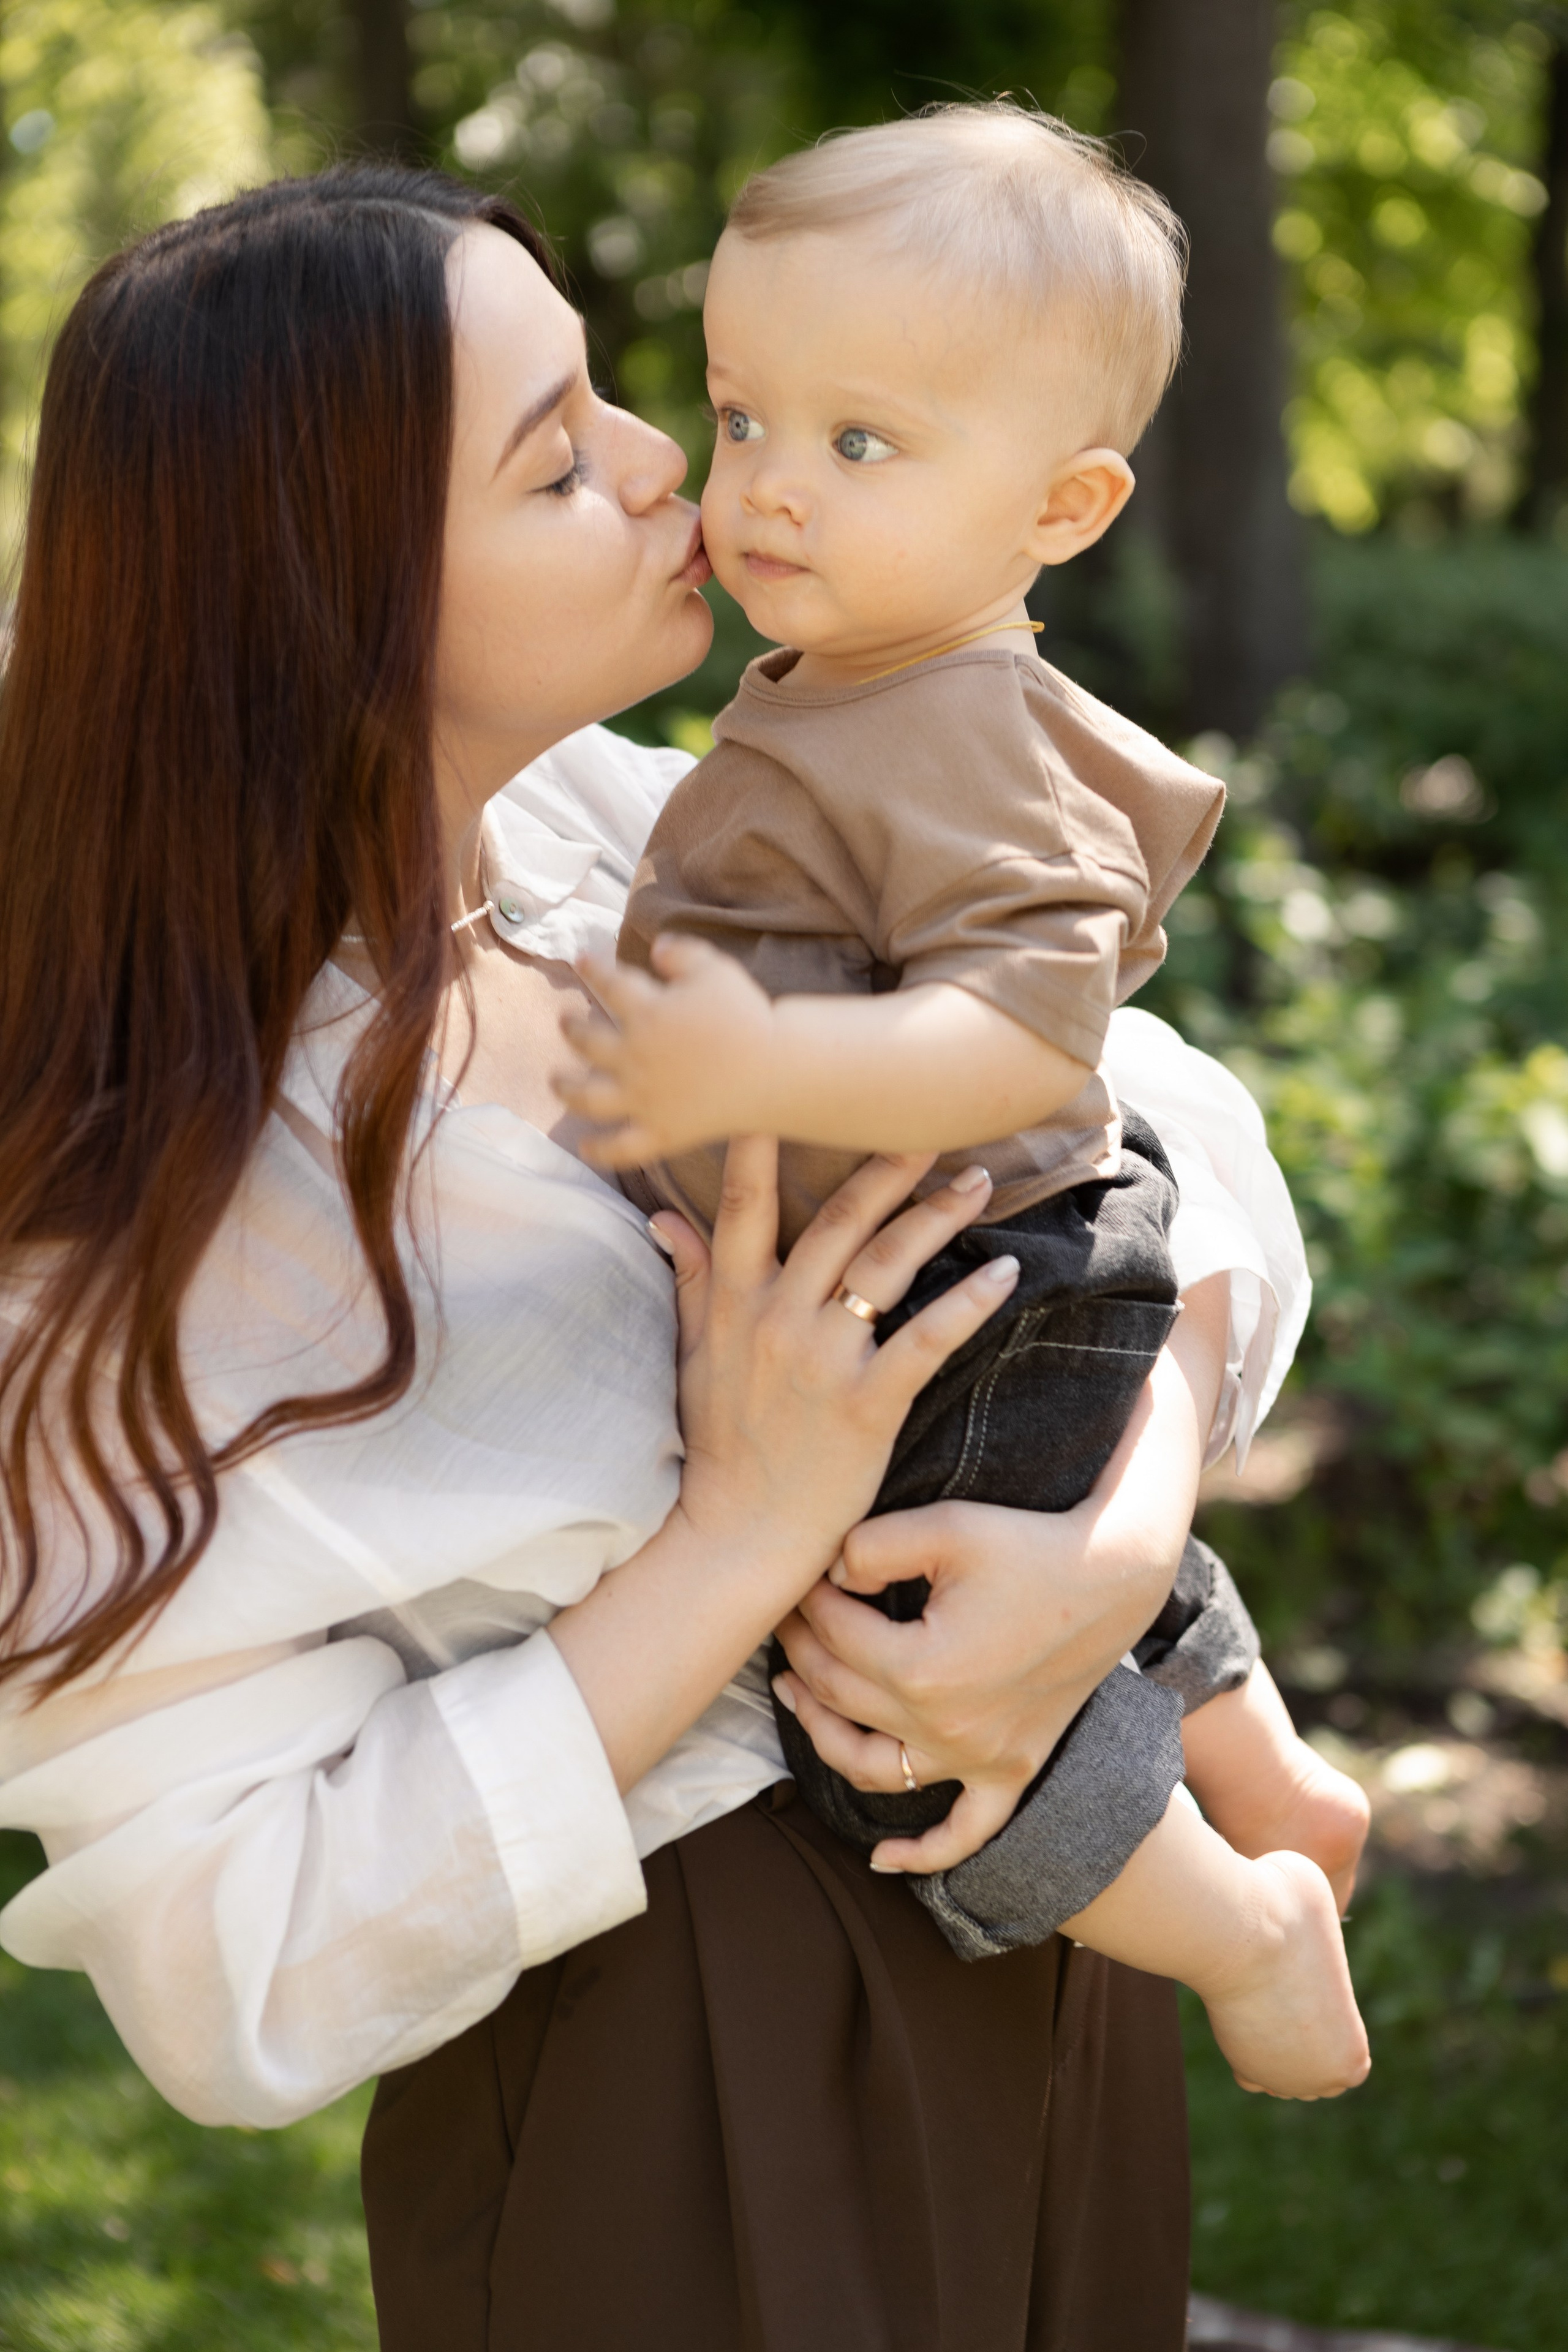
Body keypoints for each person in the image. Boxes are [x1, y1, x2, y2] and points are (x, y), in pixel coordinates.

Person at [0, 164, 1361, 2352]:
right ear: (323, 597)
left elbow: (1170, 1117)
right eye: (560, 460)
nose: (676, 471)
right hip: (679, 2036)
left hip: (1063, 1896)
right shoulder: (135, 1213)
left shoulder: (628, 828)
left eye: (626, 401)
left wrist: (1119, 1533)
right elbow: (237, 1957)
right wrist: (739, 1540)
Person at [561, 105, 1369, 2100]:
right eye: (747, 418)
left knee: (897, 1702)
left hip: (974, 1266)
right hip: (979, 1276)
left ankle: (1238, 1922)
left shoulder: (958, 729)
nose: (766, 491)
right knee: (1027, 1546)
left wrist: (761, 1062)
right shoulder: (866, 680)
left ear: (1065, 510)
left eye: (862, 444)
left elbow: (1030, 1036)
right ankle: (1278, 1779)